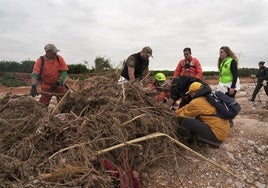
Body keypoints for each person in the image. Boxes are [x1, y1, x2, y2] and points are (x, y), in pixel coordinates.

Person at [175, 82, 230, 147]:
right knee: (198, 119)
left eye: (190, 93)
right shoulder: (208, 97)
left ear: (194, 92)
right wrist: (177, 111)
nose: (190, 95)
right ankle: (194, 139)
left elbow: (184, 114)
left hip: (216, 134)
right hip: (222, 131)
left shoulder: (197, 102)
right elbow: (188, 107)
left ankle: (181, 143)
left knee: (187, 122)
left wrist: (174, 114)